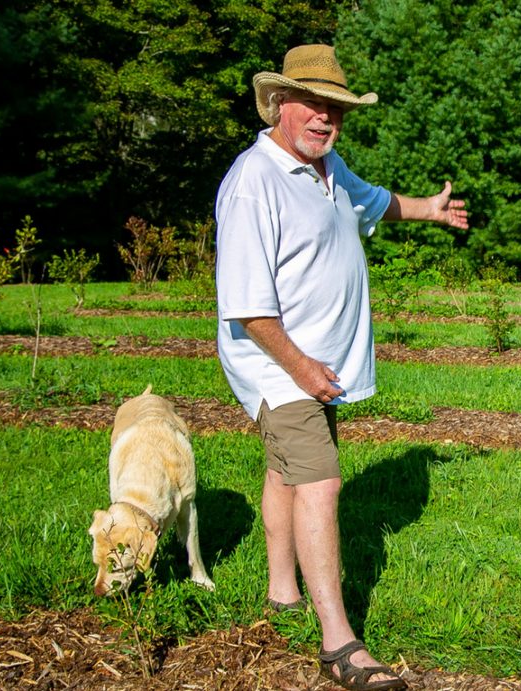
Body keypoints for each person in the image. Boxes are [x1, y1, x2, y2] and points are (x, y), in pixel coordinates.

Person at [214, 44, 468, 691]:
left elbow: (372, 201)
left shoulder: (327, 166)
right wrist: (299, 367)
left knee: (287, 470)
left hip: (314, 364)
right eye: (313, 104)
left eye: (336, 108)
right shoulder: (254, 181)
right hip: (280, 365)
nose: (326, 118)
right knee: (321, 482)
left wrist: (429, 209)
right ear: (279, 102)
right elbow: (246, 305)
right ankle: (340, 642)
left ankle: (280, 593)